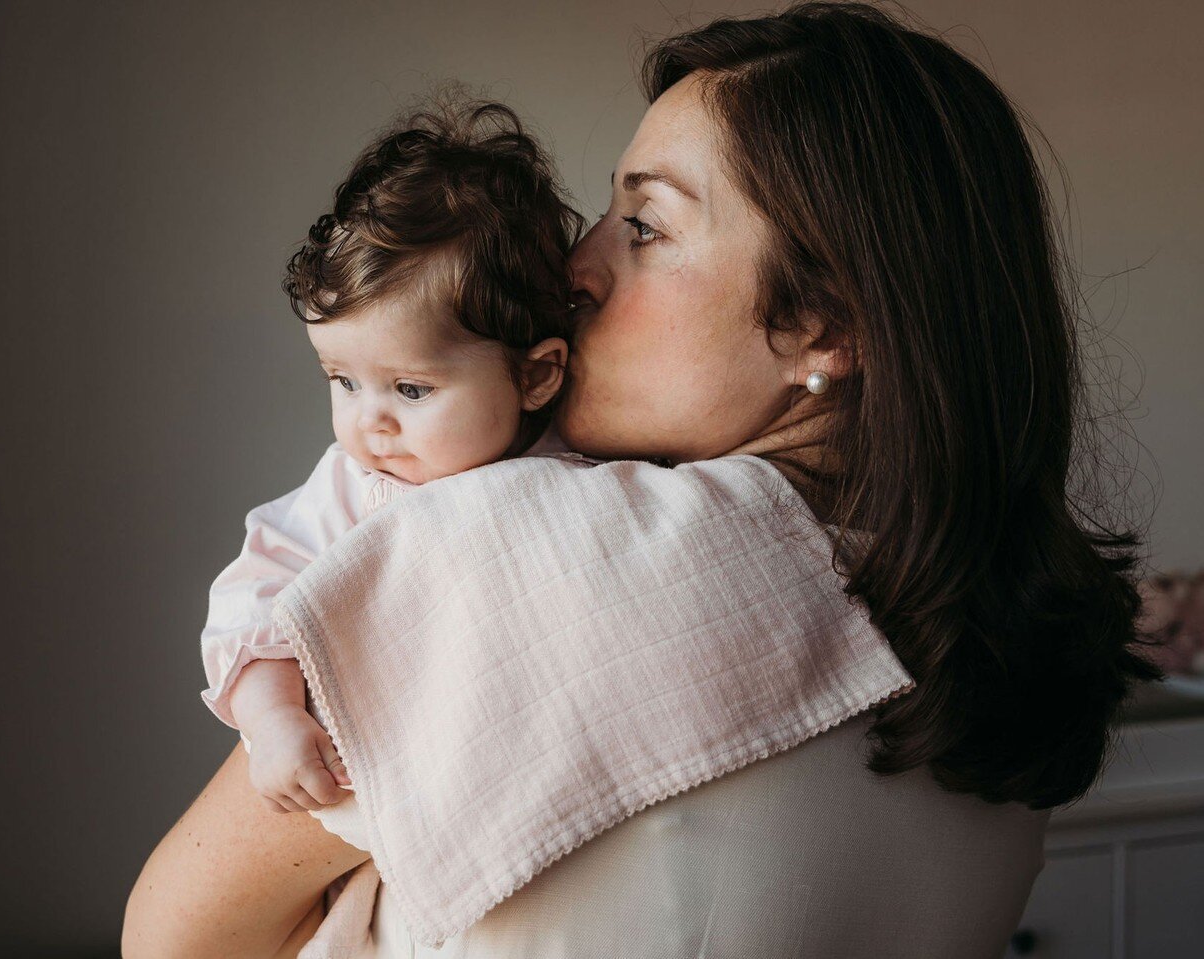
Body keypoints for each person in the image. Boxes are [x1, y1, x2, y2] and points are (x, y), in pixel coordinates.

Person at [122, 3, 1164, 956]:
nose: (576, 266)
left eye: (646, 225)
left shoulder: (523, 551)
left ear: (822, 322)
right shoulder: (1001, 632)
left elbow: (175, 934)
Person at [196, 97, 589, 820]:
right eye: (342, 381)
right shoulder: (353, 487)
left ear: (535, 375)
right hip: (356, 776)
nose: (367, 422)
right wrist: (275, 719)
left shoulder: (585, 471)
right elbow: (254, 600)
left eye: (410, 388)